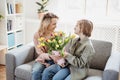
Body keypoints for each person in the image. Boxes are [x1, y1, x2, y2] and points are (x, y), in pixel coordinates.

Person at [32, 12, 59, 80]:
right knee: (36, 71)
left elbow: (60, 50)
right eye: (54, 24)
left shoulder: (57, 35)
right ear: (47, 24)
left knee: (46, 73)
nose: (56, 26)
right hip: (42, 59)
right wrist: (49, 56)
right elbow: (40, 52)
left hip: (55, 60)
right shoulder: (37, 35)